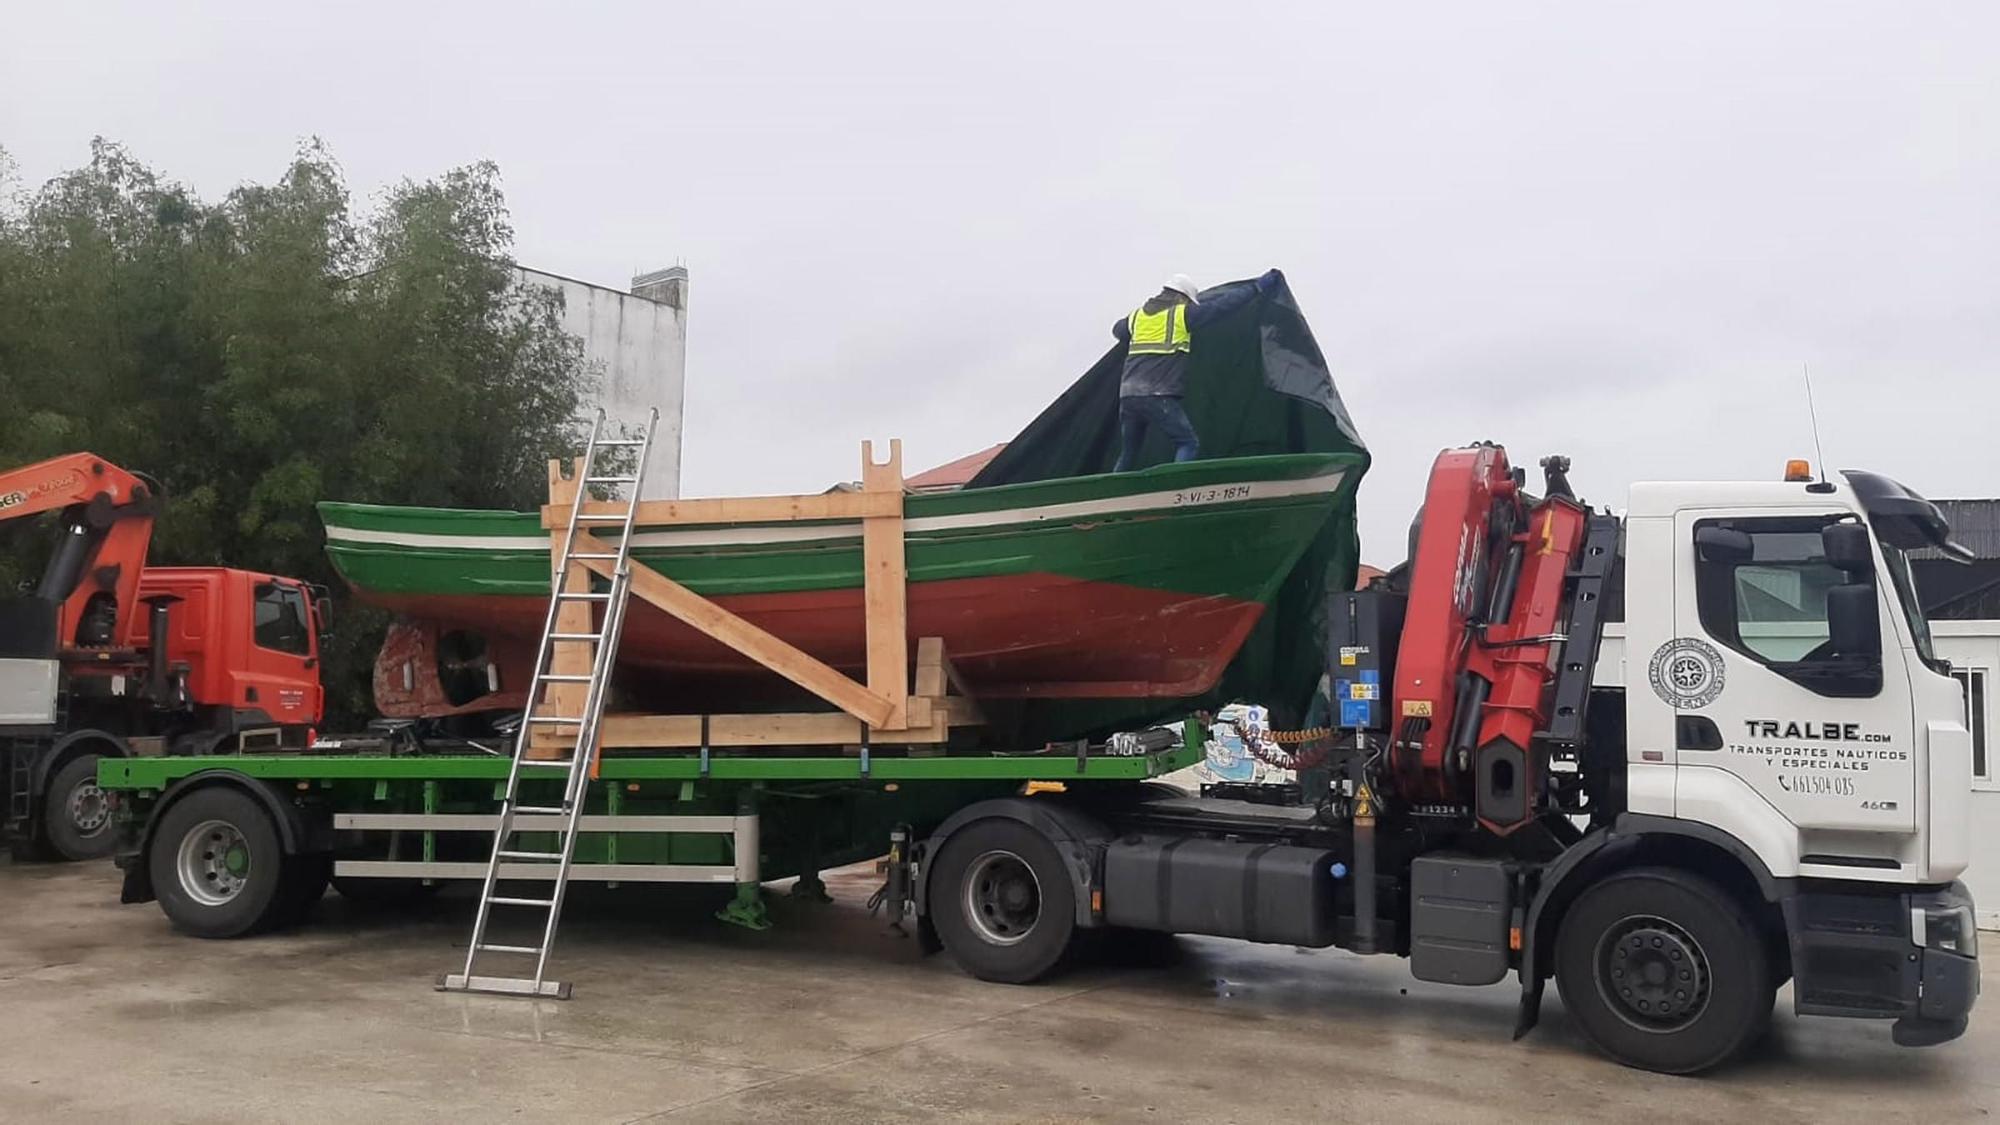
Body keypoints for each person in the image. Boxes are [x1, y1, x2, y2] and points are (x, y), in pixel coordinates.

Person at [1110, 270, 1280, 471]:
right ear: (1182, 297)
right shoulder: (1181, 314)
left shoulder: (1137, 317)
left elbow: (1117, 329)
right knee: (1188, 442)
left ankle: (1113, 492)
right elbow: (1223, 306)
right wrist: (1257, 288)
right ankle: (1174, 490)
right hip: (1156, 395)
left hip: (1128, 396)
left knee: (1129, 451)